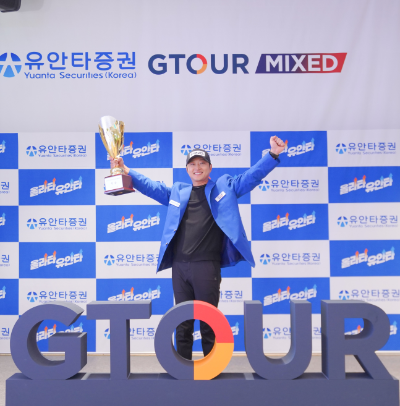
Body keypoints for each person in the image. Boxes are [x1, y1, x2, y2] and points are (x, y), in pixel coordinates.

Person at [111, 135, 285, 360]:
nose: (197, 167)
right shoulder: (177, 191)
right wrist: (125, 169)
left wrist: (272, 154)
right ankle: (182, 370)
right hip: (179, 267)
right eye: (192, 164)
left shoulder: (225, 187)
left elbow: (251, 177)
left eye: (202, 163)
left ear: (210, 168)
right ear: (187, 169)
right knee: (181, 323)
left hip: (207, 267)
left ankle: (210, 372)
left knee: (208, 322)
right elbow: (151, 187)